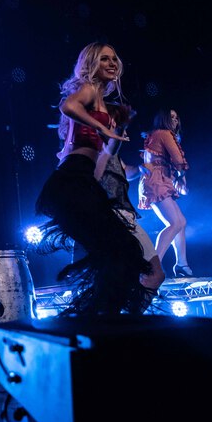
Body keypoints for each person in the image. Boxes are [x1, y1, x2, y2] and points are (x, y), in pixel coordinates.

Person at [34, 42, 154, 317]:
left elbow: (107, 154)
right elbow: (67, 106)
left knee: (119, 254)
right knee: (119, 253)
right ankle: (98, 320)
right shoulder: (87, 91)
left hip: (84, 180)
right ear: (91, 64)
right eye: (104, 59)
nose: (112, 63)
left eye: (114, 59)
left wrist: (119, 129)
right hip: (70, 178)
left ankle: (102, 319)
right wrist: (102, 126)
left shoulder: (103, 103)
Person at [96, 103, 165, 298]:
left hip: (125, 216)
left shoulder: (112, 153)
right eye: (114, 123)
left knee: (150, 275)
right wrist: (122, 125)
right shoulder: (98, 148)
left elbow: (125, 172)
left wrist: (141, 169)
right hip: (113, 216)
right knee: (149, 274)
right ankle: (126, 322)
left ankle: (129, 320)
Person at [138, 109, 192, 277]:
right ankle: (153, 265)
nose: (175, 120)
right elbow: (177, 158)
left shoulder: (160, 134)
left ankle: (181, 264)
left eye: (177, 117)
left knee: (181, 222)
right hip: (156, 180)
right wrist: (182, 176)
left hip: (159, 179)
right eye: (172, 117)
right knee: (174, 223)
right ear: (163, 119)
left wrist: (179, 177)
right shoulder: (163, 133)